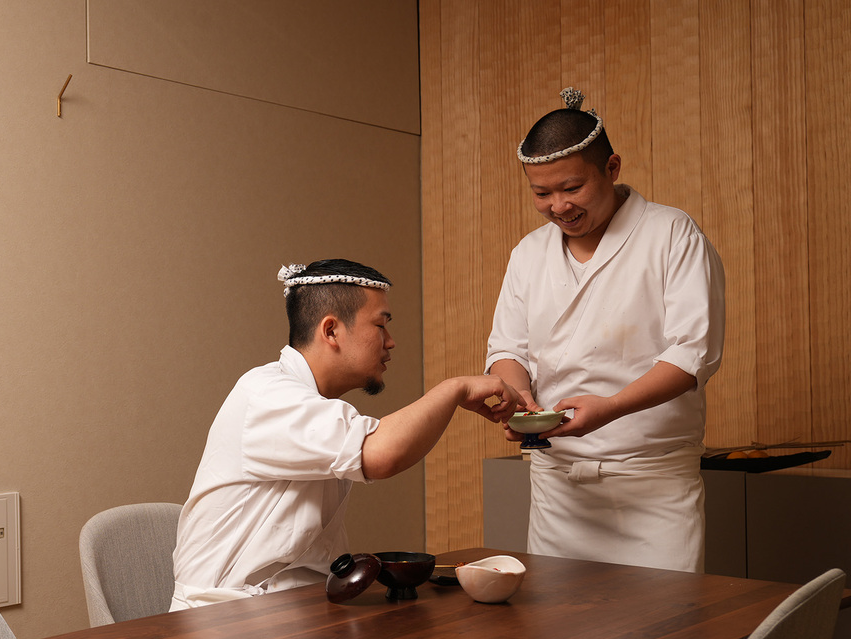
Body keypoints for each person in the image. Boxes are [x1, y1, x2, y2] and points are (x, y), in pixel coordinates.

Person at [170, 259, 522, 610]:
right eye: (380, 326)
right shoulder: (268, 395)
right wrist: (455, 388)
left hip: (286, 613)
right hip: (220, 621)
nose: (391, 342)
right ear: (331, 331)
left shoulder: (311, 403)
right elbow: (380, 454)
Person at [485, 87, 726, 573]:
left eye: (572, 188)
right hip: (558, 488)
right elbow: (509, 348)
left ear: (612, 169)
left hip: (653, 486)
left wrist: (612, 408)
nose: (558, 206)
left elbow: (692, 353)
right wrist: (519, 401)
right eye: (541, 193)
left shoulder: (672, 233)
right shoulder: (528, 254)